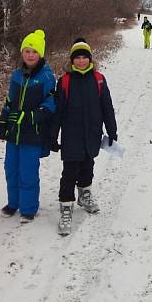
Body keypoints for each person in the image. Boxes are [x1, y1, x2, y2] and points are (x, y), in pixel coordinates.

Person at [51, 38, 118, 236]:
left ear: (90, 59)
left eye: (84, 57)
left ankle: (84, 195)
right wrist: (53, 136)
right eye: (77, 58)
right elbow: (58, 112)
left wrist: (112, 131)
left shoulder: (98, 79)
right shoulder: (64, 81)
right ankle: (66, 206)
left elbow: (107, 107)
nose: (81, 61)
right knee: (69, 172)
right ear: (72, 60)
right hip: (71, 135)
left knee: (88, 166)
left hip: (92, 133)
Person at [0, 29, 56, 222]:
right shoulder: (16, 76)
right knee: (11, 169)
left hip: (33, 134)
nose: (30, 55)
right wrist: (3, 121)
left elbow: (50, 104)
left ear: (40, 54)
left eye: (34, 52)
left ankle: (29, 208)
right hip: (14, 132)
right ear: (22, 53)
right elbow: (9, 100)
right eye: (27, 51)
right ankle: (13, 203)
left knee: (27, 172)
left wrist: (30, 116)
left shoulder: (46, 77)